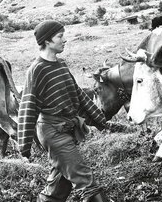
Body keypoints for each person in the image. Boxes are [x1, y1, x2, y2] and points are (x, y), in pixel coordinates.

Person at [18, 20, 110, 202]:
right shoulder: (36, 70)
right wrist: (24, 145)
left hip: (67, 130)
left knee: (61, 183)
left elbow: (78, 95)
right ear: (46, 41)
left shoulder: (61, 65)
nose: (64, 40)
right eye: (60, 36)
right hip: (53, 132)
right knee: (84, 179)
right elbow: (28, 107)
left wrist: (100, 120)